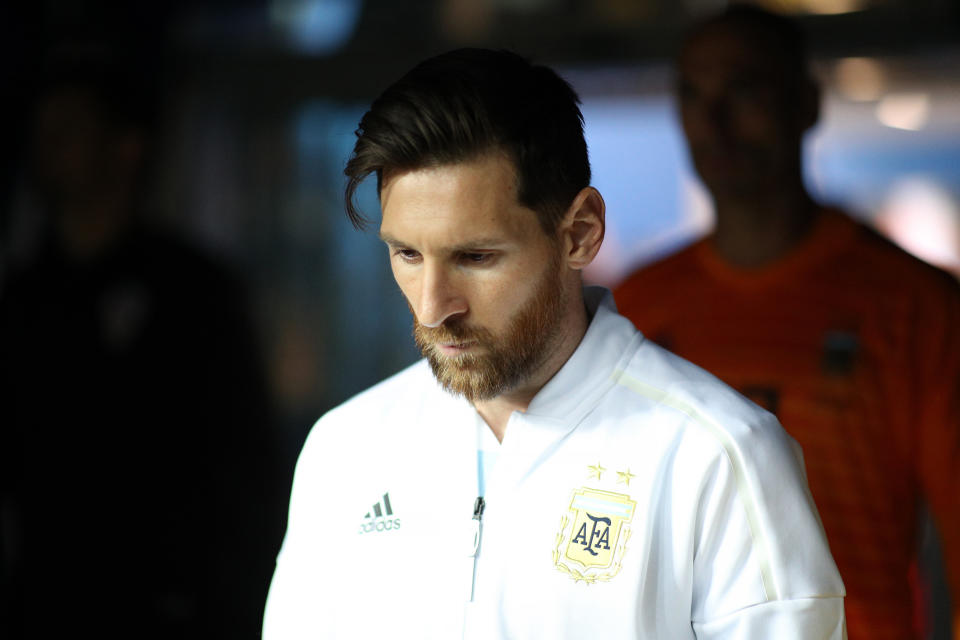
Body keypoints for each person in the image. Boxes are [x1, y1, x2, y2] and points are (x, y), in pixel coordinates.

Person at [263, 47, 844, 639]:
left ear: (580, 234)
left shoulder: (718, 455)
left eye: (476, 256)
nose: (433, 307)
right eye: (407, 254)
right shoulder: (345, 449)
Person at [614, 6, 960, 640]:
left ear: (805, 103)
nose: (714, 121)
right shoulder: (638, 306)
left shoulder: (915, 304)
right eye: (693, 94)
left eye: (744, 88)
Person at [0, 48, 283, 638]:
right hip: (47, 602)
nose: (47, 149)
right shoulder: (24, 298)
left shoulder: (194, 292)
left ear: (126, 146)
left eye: (68, 129)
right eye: (41, 132)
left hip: (177, 609)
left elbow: (244, 466)